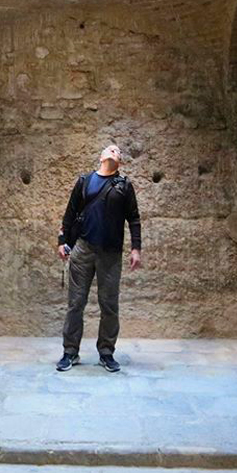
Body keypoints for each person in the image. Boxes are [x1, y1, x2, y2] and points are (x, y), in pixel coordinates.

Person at [56, 143, 141, 372]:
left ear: (120, 162)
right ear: (102, 156)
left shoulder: (124, 186)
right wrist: (62, 243)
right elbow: (70, 213)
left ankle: (106, 352)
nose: (115, 151)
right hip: (83, 249)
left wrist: (136, 249)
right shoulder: (84, 182)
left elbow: (133, 219)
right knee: (76, 303)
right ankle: (70, 352)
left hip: (111, 253)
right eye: (110, 149)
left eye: (118, 151)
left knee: (109, 305)